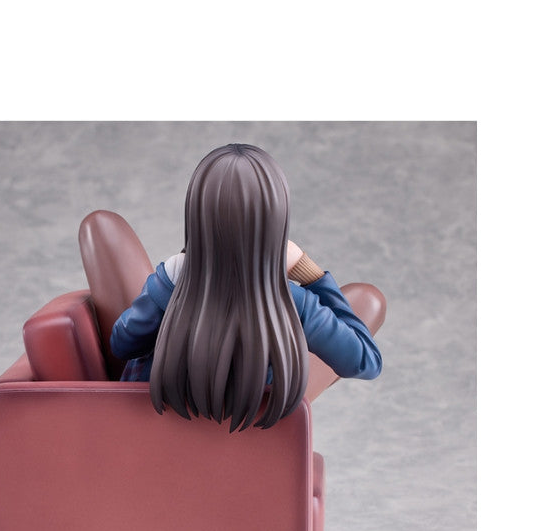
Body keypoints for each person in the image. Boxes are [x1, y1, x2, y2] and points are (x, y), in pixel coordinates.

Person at [110, 144, 382, 431]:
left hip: (160, 430)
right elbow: (366, 361)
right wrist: (310, 273)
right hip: (249, 437)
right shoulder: (292, 302)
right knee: (366, 303)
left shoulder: (171, 280)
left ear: (198, 216)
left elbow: (122, 343)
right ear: (275, 222)